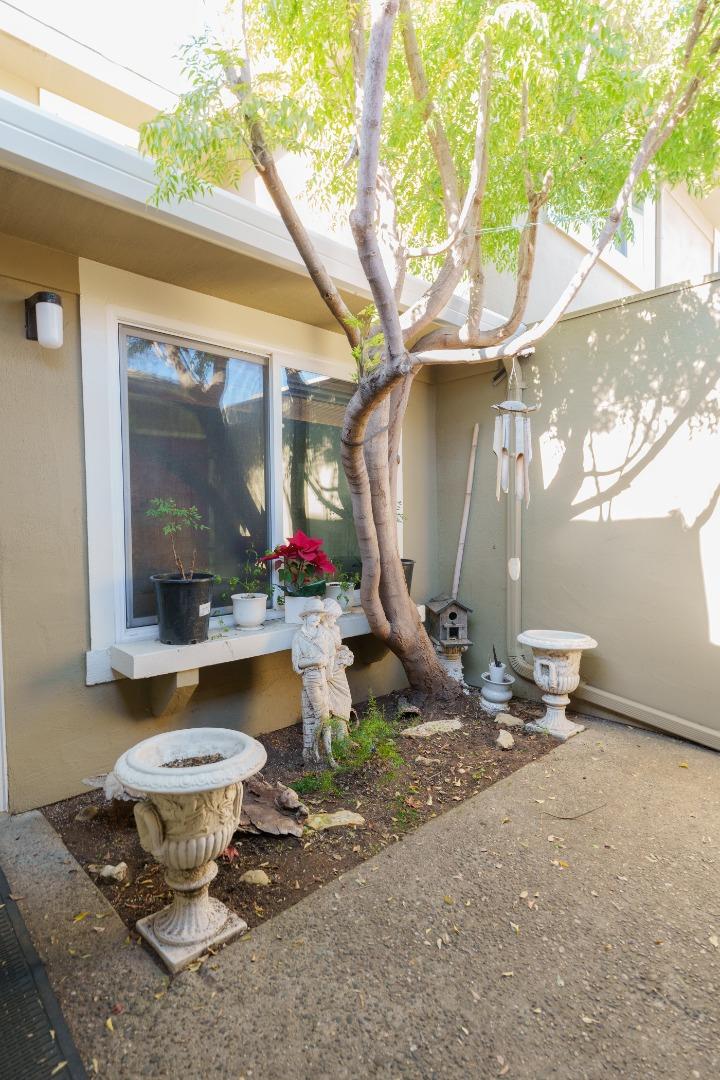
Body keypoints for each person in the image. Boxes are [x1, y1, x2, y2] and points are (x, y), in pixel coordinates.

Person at [291, 598, 336, 767]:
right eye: (314, 614)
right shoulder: (299, 636)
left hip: (323, 677)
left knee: (324, 716)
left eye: (319, 614)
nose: (318, 617)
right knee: (322, 716)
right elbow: (297, 664)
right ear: (306, 616)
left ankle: (325, 754)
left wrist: (327, 668)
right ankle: (317, 751)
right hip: (310, 679)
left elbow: (330, 654)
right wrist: (315, 661)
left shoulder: (324, 633)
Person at [322, 598, 355, 739]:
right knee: (331, 701)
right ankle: (337, 736)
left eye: (336, 617)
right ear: (325, 615)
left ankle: (343, 733)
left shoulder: (335, 628)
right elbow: (322, 654)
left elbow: (337, 647)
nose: (335, 620)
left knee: (345, 697)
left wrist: (345, 650)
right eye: (333, 617)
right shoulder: (320, 632)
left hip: (338, 666)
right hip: (329, 669)